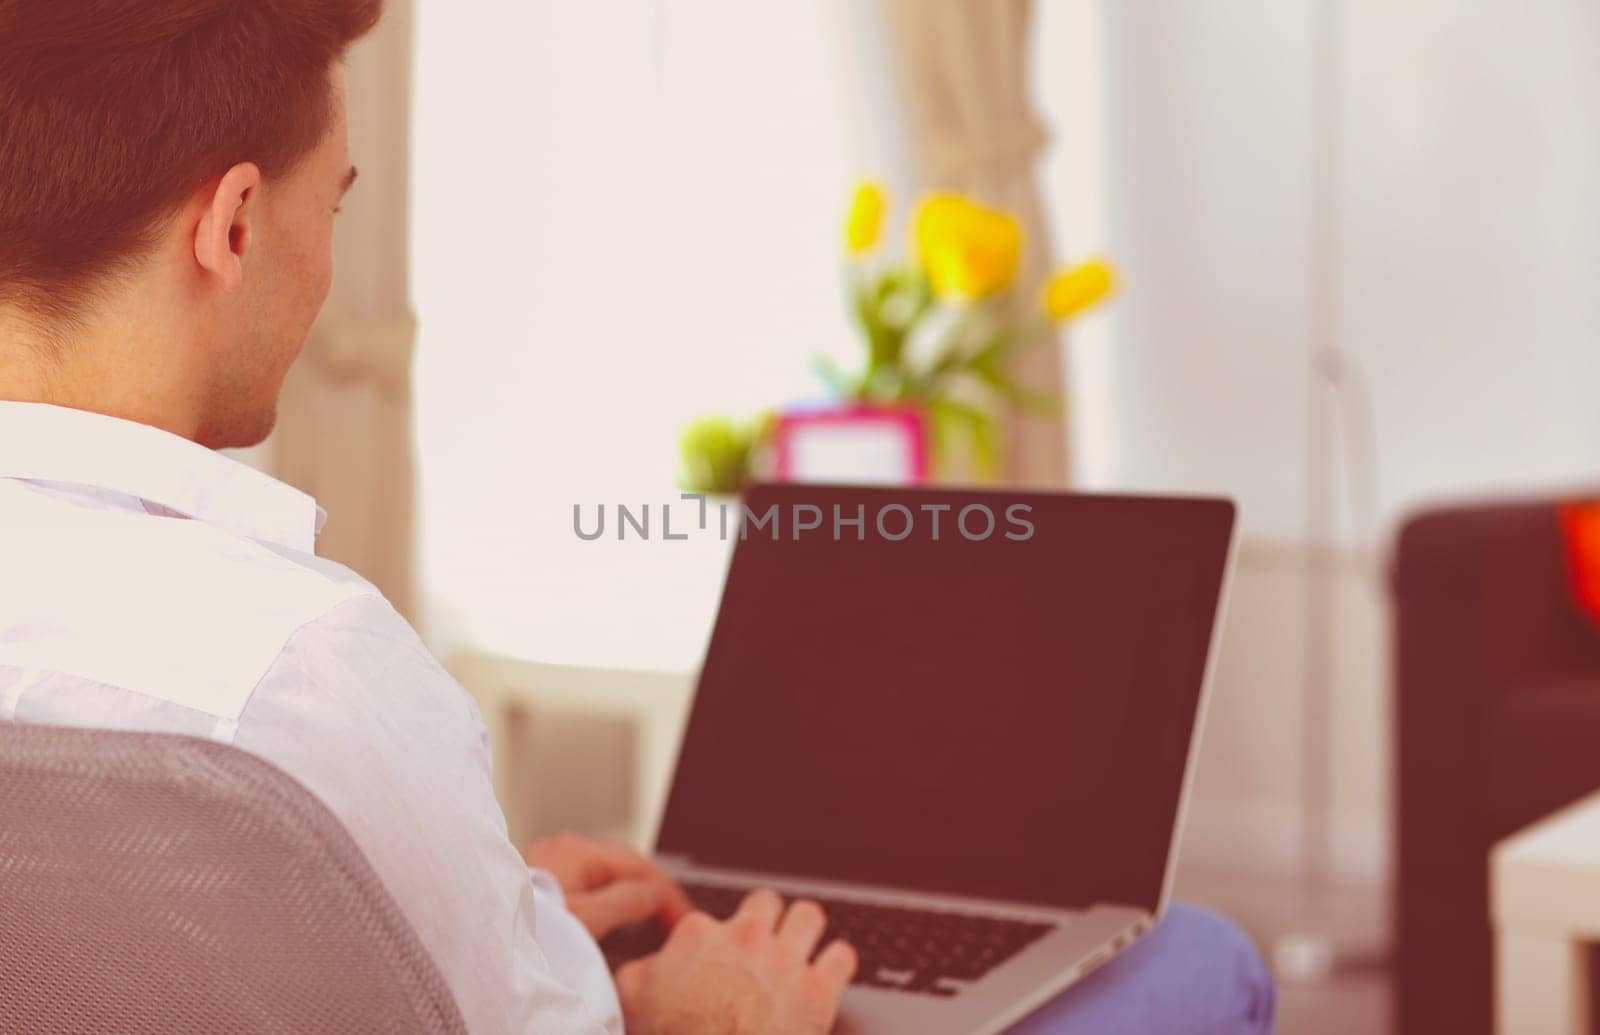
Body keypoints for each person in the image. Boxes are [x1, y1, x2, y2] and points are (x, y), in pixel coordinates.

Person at [0, 2, 1274, 1032]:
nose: (326, 260)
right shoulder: (306, 665)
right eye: (328, 206)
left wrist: (496, 906)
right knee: (1202, 962)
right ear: (229, 225)